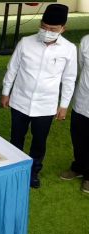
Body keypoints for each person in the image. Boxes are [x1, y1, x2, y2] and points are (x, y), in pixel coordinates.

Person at [1, 4, 77, 188]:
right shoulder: (25, 42)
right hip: (20, 100)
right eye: (44, 27)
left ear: (62, 29)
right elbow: (12, 69)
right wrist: (5, 92)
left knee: (39, 140)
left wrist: (64, 104)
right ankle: (14, 168)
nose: (47, 31)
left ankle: (34, 171)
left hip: (46, 104)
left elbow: (69, 78)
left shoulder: (68, 49)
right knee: (16, 137)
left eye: (52, 29)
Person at [60, 35, 89, 193]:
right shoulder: (86, 41)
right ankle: (78, 167)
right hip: (82, 100)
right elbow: (81, 65)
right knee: (78, 136)